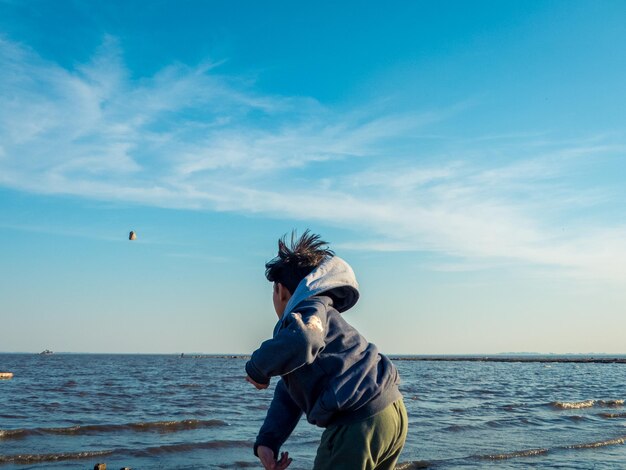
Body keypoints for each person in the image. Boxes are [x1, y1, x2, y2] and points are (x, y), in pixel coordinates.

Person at [245, 230, 407, 470]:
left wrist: (258, 368)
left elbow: (303, 338)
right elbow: (290, 392)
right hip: (391, 413)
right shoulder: (323, 317)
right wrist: (268, 442)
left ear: (280, 291)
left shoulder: (307, 313)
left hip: (356, 424)